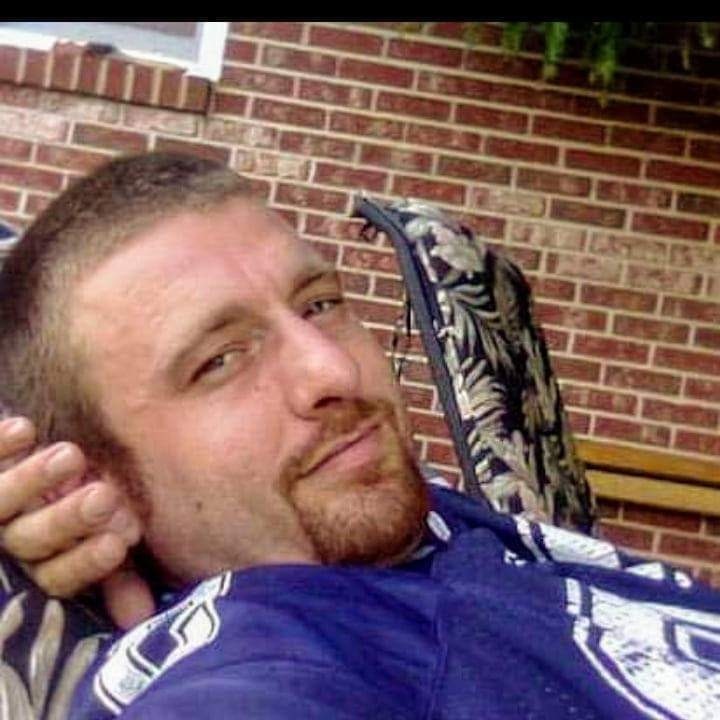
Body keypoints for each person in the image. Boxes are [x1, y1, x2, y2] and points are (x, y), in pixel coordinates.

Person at [0, 152, 719, 719]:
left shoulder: (415, 525)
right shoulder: (270, 654)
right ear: (88, 484)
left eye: (320, 304)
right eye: (219, 361)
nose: (334, 369)